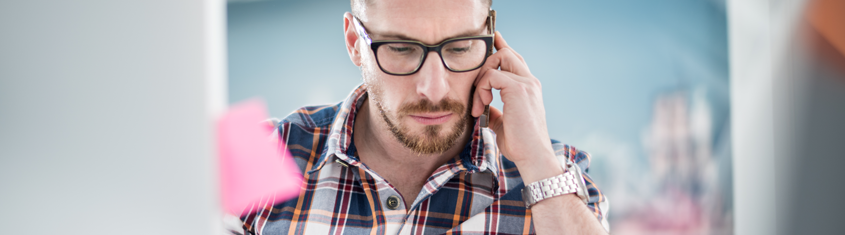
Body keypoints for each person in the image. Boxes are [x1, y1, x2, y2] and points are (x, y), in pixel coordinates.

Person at [229, 0, 609, 234]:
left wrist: (539, 165)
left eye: (460, 48)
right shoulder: (256, 153)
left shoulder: (559, 177)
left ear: (492, 41)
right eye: (400, 49)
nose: (434, 88)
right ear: (354, 43)